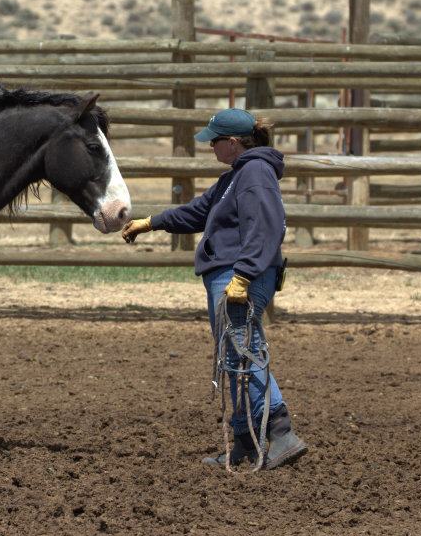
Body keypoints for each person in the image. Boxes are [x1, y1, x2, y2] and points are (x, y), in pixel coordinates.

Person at [121, 108, 307, 470]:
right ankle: (244, 441)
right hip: (231, 272)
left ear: (233, 143)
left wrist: (245, 274)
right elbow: (197, 212)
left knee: (242, 350)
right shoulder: (235, 178)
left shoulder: (254, 173)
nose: (211, 148)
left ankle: (281, 433)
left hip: (239, 274)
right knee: (234, 353)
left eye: (215, 141)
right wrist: (151, 223)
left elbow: (265, 227)